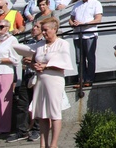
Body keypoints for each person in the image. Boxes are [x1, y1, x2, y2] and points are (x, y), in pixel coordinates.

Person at [29, 17, 74, 148]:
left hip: (54, 80)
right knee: (42, 113)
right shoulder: (40, 44)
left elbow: (64, 63)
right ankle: (43, 144)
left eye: (46, 30)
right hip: (41, 81)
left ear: (55, 30)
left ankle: (54, 144)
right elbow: (33, 60)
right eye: (42, 30)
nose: (43, 33)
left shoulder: (62, 44)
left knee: (54, 112)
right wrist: (33, 65)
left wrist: (46, 66)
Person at [6, 24, 43, 143]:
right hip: (27, 75)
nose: (33, 29)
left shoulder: (44, 43)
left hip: (39, 76)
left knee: (38, 104)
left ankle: (37, 130)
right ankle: (21, 131)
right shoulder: (30, 42)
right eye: (33, 27)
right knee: (22, 104)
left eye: (37, 27)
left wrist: (32, 59)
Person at [0, 16, 20, 134]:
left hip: (4, 72)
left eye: (1, 26)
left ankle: (1, 127)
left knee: (0, 101)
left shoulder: (12, 40)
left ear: (7, 28)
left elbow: (15, 59)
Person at [69, 0, 103, 88]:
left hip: (89, 34)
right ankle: (81, 79)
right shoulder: (77, 4)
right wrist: (72, 23)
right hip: (77, 35)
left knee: (90, 57)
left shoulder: (96, 3)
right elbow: (71, 18)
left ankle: (89, 79)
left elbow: (98, 19)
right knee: (79, 59)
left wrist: (84, 24)